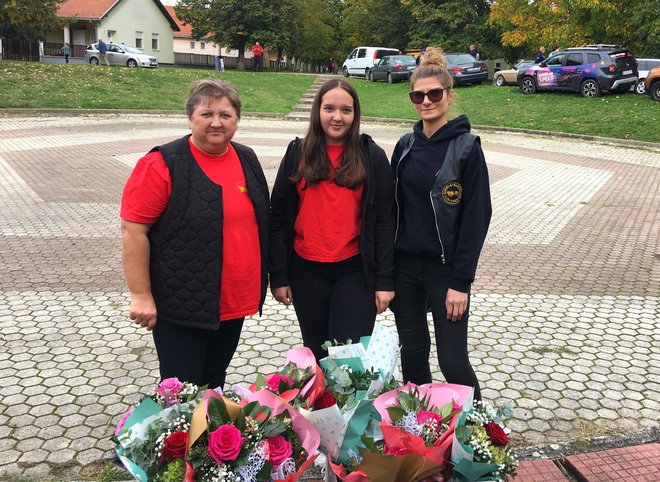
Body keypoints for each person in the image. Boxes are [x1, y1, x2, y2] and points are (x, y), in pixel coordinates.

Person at [120, 79, 269, 389]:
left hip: (232, 301)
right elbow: (133, 231)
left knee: (214, 382)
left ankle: (211, 437)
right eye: (206, 114)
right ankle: (176, 437)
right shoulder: (162, 163)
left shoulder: (246, 158)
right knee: (182, 389)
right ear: (190, 118)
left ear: (237, 119)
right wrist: (141, 295)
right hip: (182, 303)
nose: (216, 122)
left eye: (226, 115)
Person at [390, 47, 491, 401]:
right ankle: (420, 434)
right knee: (413, 354)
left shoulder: (466, 148)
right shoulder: (404, 146)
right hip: (405, 270)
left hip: (445, 272)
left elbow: (476, 219)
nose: (426, 102)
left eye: (434, 94)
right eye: (418, 96)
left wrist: (461, 282)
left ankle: (482, 434)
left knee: (452, 361)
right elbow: (391, 211)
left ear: (449, 95)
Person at [269, 79, 395, 361]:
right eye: (329, 108)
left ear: (355, 114)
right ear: (318, 111)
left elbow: (386, 221)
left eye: (346, 110)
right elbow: (278, 216)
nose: (337, 117)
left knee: (349, 361)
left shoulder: (371, 156)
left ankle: (351, 407)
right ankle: (318, 407)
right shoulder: (297, 153)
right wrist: (278, 275)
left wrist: (385, 280)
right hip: (306, 271)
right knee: (316, 355)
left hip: (355, 272)